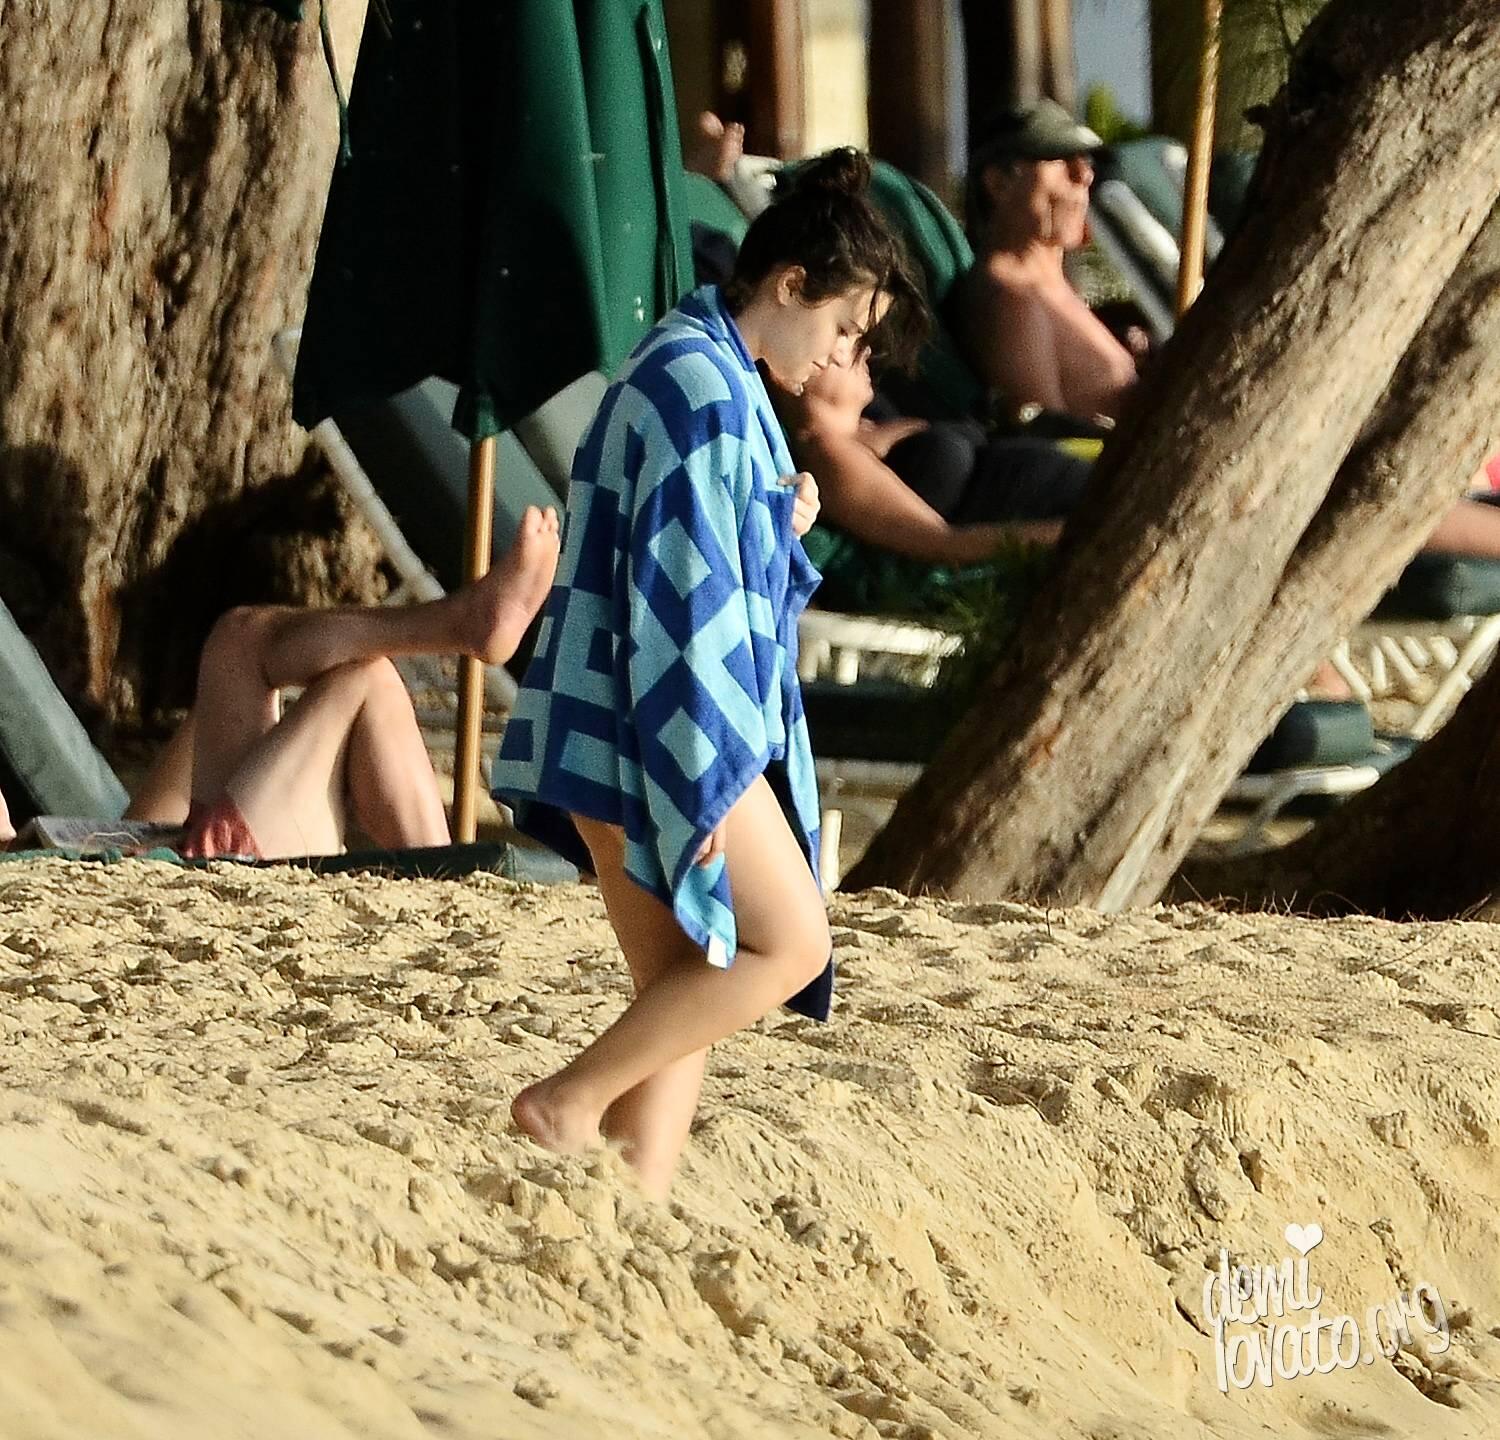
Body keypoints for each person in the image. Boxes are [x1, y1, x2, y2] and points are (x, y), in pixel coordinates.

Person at [490, 149, 926, 1199]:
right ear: (790, 286)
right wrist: (700, 778)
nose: (844, 360)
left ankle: (629, 1208)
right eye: (844, 330)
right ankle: (566, 1104)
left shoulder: (694, 368)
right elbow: (682, 609)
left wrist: (778, 524)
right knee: (788, 944)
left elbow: (691, 562)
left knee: (685, 986)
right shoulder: (702, 392)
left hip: (607, 727)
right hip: (657, 734)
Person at [124, 507, 560, 860]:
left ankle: (461, 622)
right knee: (364, 680)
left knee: (236, 638)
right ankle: (444, 878)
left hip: (178, 852)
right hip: (218, 870)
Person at [772, 346, 1086, 570]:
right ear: (784, 374)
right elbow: (941, 543)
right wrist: (1075, 534)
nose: (864, 350)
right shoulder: (827, 453)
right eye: (842, 336)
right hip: (1057, 529)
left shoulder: (871, 421)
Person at [953, 99, 1143, 426]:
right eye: (1060, 158)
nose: (1084, 175)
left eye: (1085, 161)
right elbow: (1045, 437)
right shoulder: (1013, 301)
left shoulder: (1048, 288)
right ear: (998, 183)